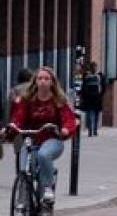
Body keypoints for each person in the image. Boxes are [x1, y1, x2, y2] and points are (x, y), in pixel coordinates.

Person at [5, 67, 78, 203]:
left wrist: (65, 129)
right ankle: (23, 198)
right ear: (35, 81)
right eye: (40, 78)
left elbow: (69, 118)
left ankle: (47, 187)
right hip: (31, 139)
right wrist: (11, 128)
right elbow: (18, 117)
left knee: (43, 155)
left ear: (52, 82)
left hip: (52, 139)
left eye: (46, 79)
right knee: (23, 169)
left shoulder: (59, 101)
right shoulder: (27, 100)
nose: (43, 81)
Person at [79, 61, 106, 137]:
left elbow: (83, 87)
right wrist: (101, 94)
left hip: (90, 97)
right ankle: (93, 130)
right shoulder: (100, 75)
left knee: (91, 114)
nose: (94, 68)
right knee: (94, 114)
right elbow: (103, 87)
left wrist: (83, 96)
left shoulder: (86, 75)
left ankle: (91, 130)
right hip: (96, 97)